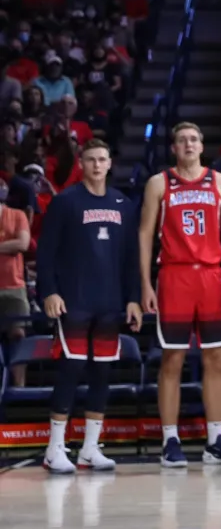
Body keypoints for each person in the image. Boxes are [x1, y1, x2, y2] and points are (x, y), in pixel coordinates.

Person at [139, 122, 221, 467]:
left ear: (202, 146)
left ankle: (215, 439)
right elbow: (145, 236)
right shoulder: (159, 183)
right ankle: (170, 439)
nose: (188, 144)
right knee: (172, 359)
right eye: (181, 140)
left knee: (216, 358)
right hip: (174, 276)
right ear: (173, 148)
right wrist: (145, 283)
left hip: (212, 277)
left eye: (193, 139)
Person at [36, 140, 142, 473]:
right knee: (70, 369)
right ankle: (54, 449)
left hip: (110, 302)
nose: (97, 165)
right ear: (81, 164)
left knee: (102, 374)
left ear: (110, 164)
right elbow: (45, 253)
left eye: (102, 159)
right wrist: (49, 292)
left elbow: (130, 259)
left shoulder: (124, 204)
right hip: (74, 300)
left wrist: (134, 298)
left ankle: (89, 449)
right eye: (91, 160)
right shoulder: (65, 202)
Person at [0, 182, 30, 387]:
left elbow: (22, 243)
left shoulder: (17, 215)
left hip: (14, 287)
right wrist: (6, 247)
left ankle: (19, 391)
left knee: (18, 335)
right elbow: (14, 244)